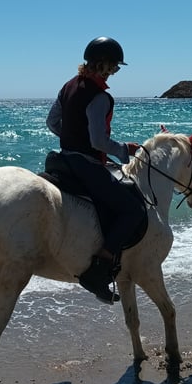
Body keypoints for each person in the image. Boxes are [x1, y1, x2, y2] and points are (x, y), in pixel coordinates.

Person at [46, 36, 144, 304]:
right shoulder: (100, 97)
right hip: (84, 163)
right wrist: (125, 150)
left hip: (61, 158)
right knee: (132, 209)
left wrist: (70, 136)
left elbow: (52, 121)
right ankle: (100, 269)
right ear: (103, 64)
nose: (116, 71)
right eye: (114, 66)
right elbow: (98, 142)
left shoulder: (68, 86)